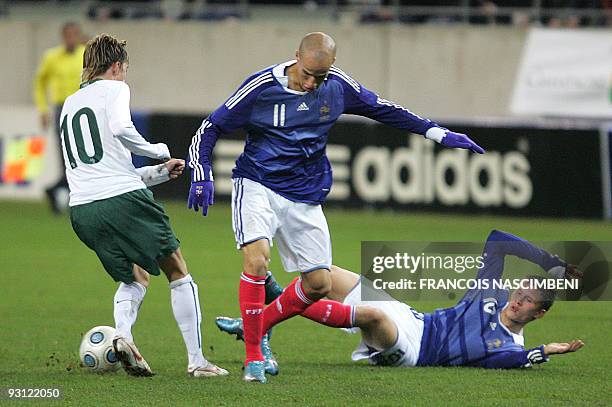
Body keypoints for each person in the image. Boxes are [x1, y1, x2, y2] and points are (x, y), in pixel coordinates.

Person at [187, 32, 485, 383]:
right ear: (295, 56)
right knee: (256, 260)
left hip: (305, 195)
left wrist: (435, 133)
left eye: (321, 76)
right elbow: (211, 126)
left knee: (317, 283)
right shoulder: (261, 87)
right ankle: (254, 358)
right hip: (257, 184)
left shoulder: (337, 86)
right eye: (308, 74)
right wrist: (201, 172)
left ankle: (258, 325)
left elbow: (382, 109)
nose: (313, 83)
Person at [62, 33, 227, 378]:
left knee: (135, 276)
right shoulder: (116, 89)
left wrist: (158, 173)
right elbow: (123, 129)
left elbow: (106, 170)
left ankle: (123, 336)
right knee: (178, 271)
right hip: (122, 202)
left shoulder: (70, 104)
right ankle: (198, 361)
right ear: (118, 65)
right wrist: (159, 150)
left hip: (82, 210)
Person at [217, 230, 585, 370]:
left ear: (538, 313)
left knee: (372, 316)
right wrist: (550, 261)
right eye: (519, 291)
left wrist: (544, 352)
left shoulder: (506, 345)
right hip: (414, 318)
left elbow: (511, 360)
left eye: (525, 302)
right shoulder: (490, 293)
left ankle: (266, 312)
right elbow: (497, 239)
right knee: (321, 276)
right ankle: (265, 321)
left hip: (413, 352)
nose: (516, 300)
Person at [33, 22, 86, 214]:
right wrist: (42, 109)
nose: (71, 38)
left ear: (79, 36)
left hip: (83, 109)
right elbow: (39, 82)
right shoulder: (52, 57)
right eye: (68, 35)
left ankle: (55, 190)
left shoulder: (85, 54)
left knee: (83, 156)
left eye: (74, 34)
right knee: (68, 157)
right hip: (62, 109)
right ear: (63, 37)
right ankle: (66, 196)